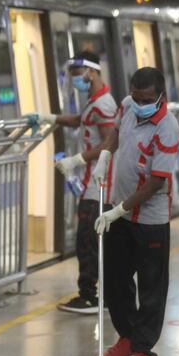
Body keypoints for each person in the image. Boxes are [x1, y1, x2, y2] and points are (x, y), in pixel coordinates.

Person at [86, 66, 179, 356]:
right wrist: (105, 154)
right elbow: (115, 132)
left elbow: (156, 182)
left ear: (161, 96)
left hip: (150, 219)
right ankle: (126, 337)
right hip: (119, 210)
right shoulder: (128, 104)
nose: (140, 103)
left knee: (152, 286)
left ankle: (142, 350)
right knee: (115, 281)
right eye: (136, 97)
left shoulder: (168, 127)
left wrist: (117, 210)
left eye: (147, 99)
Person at [36, 51, 117, 314]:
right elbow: (82, 121)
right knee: (90, 239)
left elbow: (109, 142)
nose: (74, 80)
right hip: (92, 183)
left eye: (76, 75)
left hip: (97, 184)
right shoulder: (95, 101)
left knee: (87, 240)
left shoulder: (103, 104)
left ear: (90, 73)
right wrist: (51, 119)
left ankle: (90, 296)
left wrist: (76, 160)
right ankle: (97, 294)